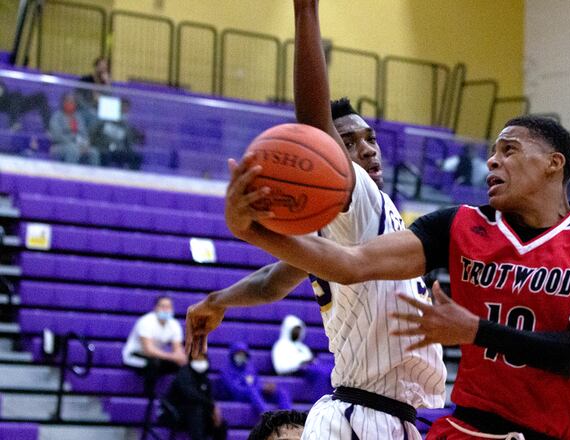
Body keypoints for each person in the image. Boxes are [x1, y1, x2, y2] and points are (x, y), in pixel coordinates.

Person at [221, 109, 570, 440]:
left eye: (509, 150)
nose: (493, 159)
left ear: (554, 163)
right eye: (492, 151)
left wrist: (476, 331)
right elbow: (353, 264)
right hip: (466, 430)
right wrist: (253, 231)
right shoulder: (459, 225)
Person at [185, 1, 446, 438]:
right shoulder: (361, 199)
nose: (367, 150)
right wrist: (306, 12)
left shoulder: (356, 227)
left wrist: (218, 300)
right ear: (325, 159)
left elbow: (272, 280)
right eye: (347, 142)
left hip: (376, 415)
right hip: (364, 417)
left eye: (370, 138)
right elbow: (312, 125)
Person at [122, 295, 187, 395]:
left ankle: (177, 397)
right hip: (134, 355)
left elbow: (177, 350)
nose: (166, 310)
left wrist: (181, 358)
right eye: (162, 306)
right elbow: (148, 350)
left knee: (183, 366)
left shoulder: (174, 325)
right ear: (155, 308)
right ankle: (148, 396)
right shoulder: (146, 321)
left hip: (157, 358)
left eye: (168, 307)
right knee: (153, 364)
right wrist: (172, 357)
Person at [158, 353, 228, 440]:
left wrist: (213, 409)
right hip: (174, 412)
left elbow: (209, 398)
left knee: (221, 423)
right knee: (195, 409)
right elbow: (191, 395)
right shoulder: (184, 374)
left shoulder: (205, 378)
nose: (200, 363)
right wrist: (211, 404)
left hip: (196, 415)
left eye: (203, 360)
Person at [271, 315, 332, 402]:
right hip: (296, 372)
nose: (297, 333)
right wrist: (300, 363)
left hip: (310, 369)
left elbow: (313, 361)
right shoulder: (280, 346)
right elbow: (280, 368)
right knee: (320, 372)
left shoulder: (302, 347)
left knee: (331, 369)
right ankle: (321, 402)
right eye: (295, 330)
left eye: (299, 330)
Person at [220, 341, 291, 415]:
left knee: (280, 391)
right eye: (238, 353)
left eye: (243, 354)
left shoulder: (249, 368)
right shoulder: (226, 370)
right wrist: (258, 388)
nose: (241, 356)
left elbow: (257, 382)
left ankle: (287, 418)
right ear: (232, 354)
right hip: (238, 396)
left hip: (255, 394)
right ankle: (268, 417)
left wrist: (264, 387)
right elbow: (235, 390)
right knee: (253, 392)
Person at [90, 98, 144, 169]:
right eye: (122, 107)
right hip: (103, 149)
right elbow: (93, 134)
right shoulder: (104, 120)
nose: (124, 110)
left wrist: (138, 138)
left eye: (126, 108)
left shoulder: (125, 126)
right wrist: (97, 144)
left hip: (118, 151)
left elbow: (129, 141)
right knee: (106, 156)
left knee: (136, 157)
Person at [48, 92, 100, 166]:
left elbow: (84, 133)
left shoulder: (78, 117)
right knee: (73, 150)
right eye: (68, 101)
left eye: (72, 102)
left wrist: (84, 144)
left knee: (94, 152)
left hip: (79, 145)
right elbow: (57, 136)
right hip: (60, 145)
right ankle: (70, 175)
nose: (70, 104)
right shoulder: (57, 117)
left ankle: (93, 176)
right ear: (63, 103)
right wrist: (73, 143)